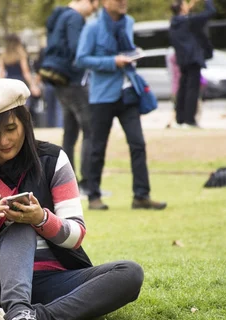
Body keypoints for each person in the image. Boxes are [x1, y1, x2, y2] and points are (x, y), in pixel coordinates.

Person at [0, 78, 144, 320]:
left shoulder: (53, 160)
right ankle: (19, 315)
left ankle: (30, 317)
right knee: (18, 225)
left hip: (51, 280)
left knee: (130, 273)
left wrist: (41, 218)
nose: (4, 141)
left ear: (25, 122)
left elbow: (75, 235)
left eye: (11, 129)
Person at [75, 0, 167, 211]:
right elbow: (81, 59)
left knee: (138, 144)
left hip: (127, 93)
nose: (124, 2)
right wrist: (112, 62)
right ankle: (94, 196)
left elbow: (127, 48)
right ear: (106, 3)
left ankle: (141, 196)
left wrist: (133, 55)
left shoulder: (129, 22)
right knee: (98, 147)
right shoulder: (92, 27)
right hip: (102, 96)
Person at [40, 0, 99, 193]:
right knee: (90, 130)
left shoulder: (59, 16)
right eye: (93, 5)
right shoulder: (74, 18)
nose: (93, 11)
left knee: (70, 133)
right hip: (73, 81)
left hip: (59, 81)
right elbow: (78, 48)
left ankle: (68, 185)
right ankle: (88, 184)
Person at [169, 0, 216, 128]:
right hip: (193, 58)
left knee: (183, 88)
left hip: (182, 59)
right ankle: (189, 120)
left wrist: (188, 9)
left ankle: (180, 119)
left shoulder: (174, 23)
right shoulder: (188, 21)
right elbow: (210, 12)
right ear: (181, 8)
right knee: (192, 89)